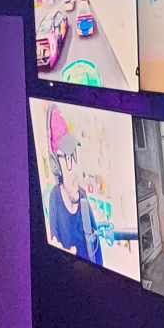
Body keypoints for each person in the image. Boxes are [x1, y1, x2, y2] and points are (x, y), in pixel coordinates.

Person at [42, 104, 106, 265]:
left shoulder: (83, 196)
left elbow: (97, 251)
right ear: (56, 166)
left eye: (75, 156)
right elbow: (53, 245)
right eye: (69, 159)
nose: (76, 169)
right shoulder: (54, 197)